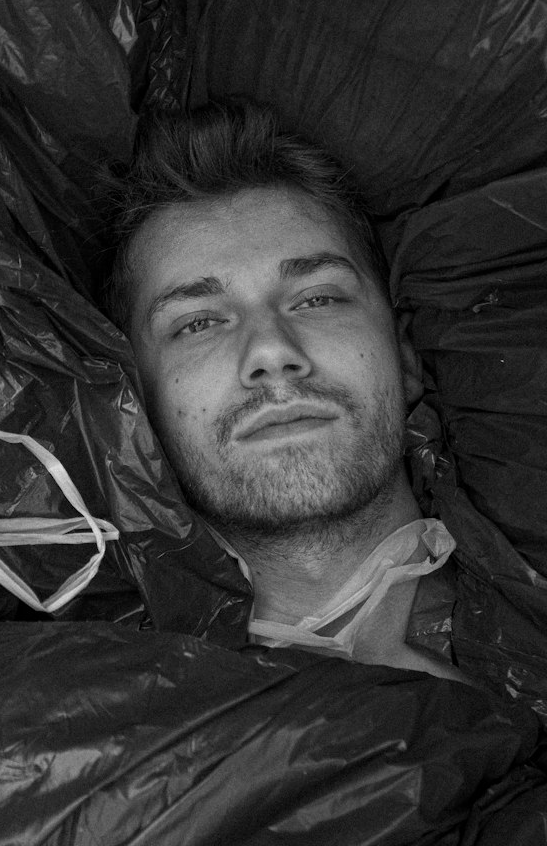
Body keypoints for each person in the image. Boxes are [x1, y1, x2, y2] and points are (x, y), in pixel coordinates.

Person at [105, 98, 468, 683]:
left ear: (404, 358)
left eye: (317, 299)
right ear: (134, 403)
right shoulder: (96, 696)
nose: (271, 352)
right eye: (198, 322)